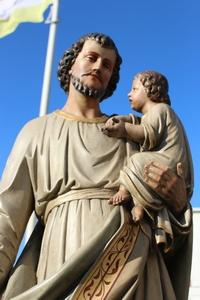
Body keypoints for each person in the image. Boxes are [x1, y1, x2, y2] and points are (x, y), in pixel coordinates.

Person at [0, 33, 193, 300]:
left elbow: (165, 205)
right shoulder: (35, 132)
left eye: (107, 65)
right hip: (64, 264)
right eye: (91, 58)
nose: (98, 67)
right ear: (71, 65)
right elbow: (6, 218)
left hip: (137, 267)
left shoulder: (133, 130)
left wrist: (180, 204)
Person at [102, 70, 193, 226]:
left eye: (135, 89)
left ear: (150, 90)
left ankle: (125, 191)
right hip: (166, 162)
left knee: (136, 160)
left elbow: (146, 132)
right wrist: (123, 119)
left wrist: (124, 129)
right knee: (142, 170)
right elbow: (139, 122)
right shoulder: (154, 114)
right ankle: (141, 206)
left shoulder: (160, 110)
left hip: (167, 163)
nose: (129, 94)